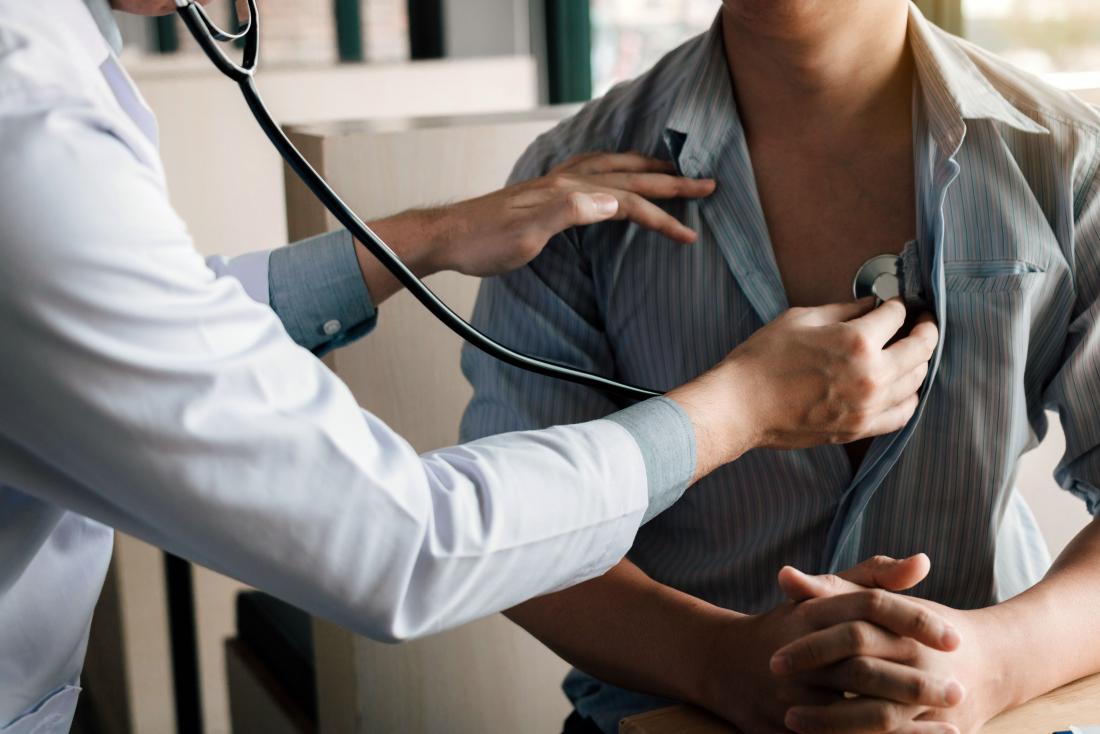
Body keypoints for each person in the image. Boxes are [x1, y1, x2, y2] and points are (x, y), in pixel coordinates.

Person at [0, 0, 945, 730]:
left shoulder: (1060, 159)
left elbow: (149, 333)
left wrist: (432, 238)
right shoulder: (27, 128)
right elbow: (404, 543)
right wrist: (740, 408)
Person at [460, 1, 1100, 732]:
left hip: (993, 714)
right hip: (672, 714)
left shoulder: (1070, 162)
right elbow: (512, 531)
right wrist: (718, 660)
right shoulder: (568, 183)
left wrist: (994, 661)